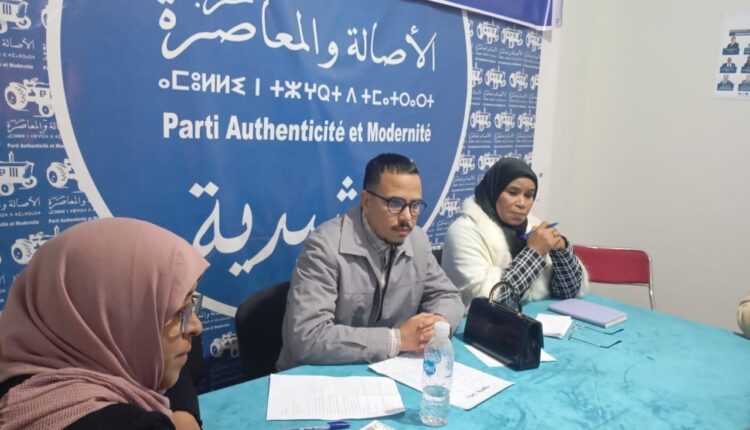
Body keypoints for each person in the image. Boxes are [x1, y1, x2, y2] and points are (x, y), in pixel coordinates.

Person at [0, 218, 209, 430]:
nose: (196, 326)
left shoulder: (19, 386)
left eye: (191, 305)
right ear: (114, 319)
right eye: (177, 312)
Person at [277, 153, 464, 370]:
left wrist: (437, 325)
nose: (407, 217)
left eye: (415, 205)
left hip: (387, 369)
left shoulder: (417, 240)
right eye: (395, 203)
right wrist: (397, 339)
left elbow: (448, 296)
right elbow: (307, 337)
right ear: (366, 202)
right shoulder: (324, 247)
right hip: (317, 376)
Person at [442, 158, 588, 309]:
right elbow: (483, 302)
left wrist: (561, 252)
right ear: (494, 190)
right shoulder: (464, 231)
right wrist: (535, 253)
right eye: (512, 193)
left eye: (529, 195)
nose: (522, 203)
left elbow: (568, 291)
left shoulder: (533, 227)